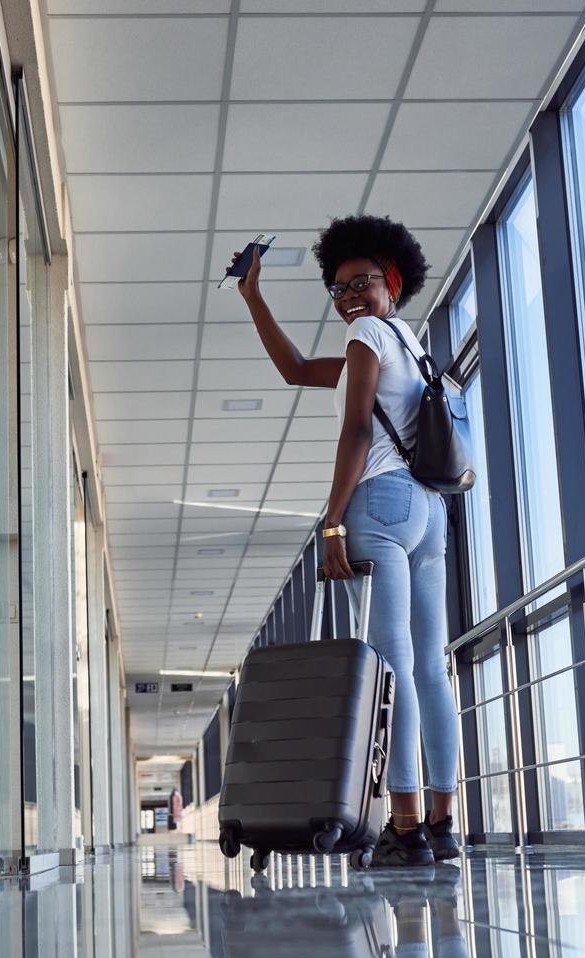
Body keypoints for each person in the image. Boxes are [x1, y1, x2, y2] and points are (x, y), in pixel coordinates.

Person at [228, 214, 460, 868]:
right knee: (428, 667)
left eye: (361, 282)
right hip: (429, 510)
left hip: (382, 502)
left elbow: (356, 431)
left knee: (391, 665)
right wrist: (253, 297)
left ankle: (405, 827)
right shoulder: (407, 343)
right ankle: (442, 824)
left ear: (391, 282)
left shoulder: (366, 333)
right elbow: (299, 369)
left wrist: (332, 520)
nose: (349, 296)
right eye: (338, 288)